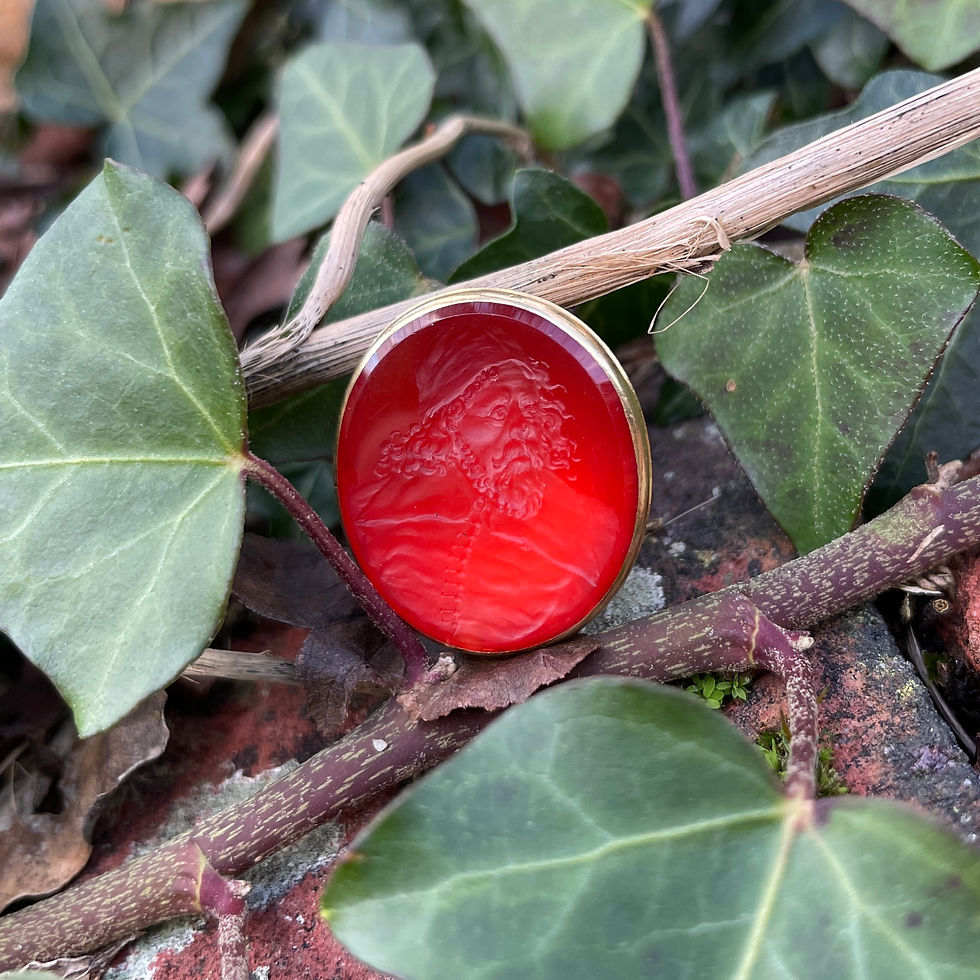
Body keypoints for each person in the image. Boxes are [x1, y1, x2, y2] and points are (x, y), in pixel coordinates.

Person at [345, 323, 621, 652]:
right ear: (447, 424)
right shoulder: (379, 521)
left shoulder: (594, 528)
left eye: (529, 409)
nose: (521, 428)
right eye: (498, 411)